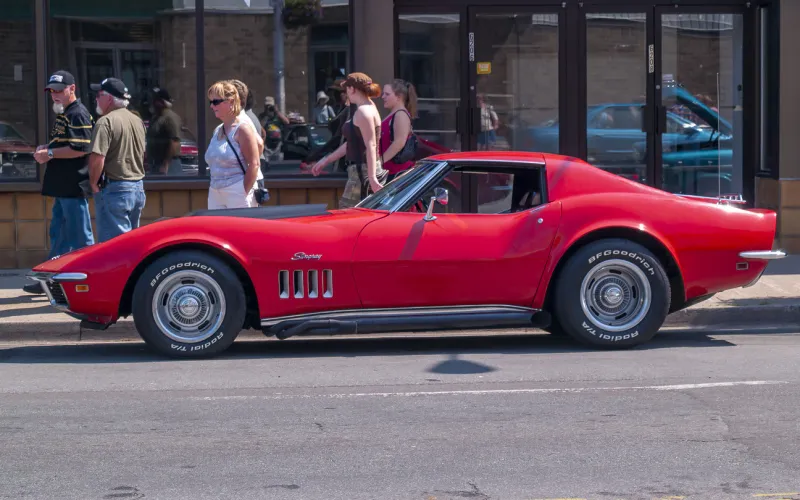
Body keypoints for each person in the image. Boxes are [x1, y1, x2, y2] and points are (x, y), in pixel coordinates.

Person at [22, 70, 95, 295]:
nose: (54, 94)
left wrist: (50, 154)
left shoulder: (77, 113)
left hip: (73, 185)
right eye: (51, 90)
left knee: (81, 237)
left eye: (59, 90)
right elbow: (65, 143)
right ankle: (51, 279)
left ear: (72, 89)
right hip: (62, 186)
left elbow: (81, 148)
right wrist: (47, 148)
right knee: (59, 234)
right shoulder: (65, 113)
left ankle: (92, 278)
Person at [311, 72, 387, 208]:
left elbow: (371, 145)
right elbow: (352, 143)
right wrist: (326, 160)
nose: (345, 92)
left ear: (352, 89)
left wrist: (372, 178)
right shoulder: (365, 107)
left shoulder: (364, 111)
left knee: (347, 214)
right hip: (362, 170)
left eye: (346, 88)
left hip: (362, 171)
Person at [88, 77, 147, 243]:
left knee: (113, 247)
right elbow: (142, 154)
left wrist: (93, 184)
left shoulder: (105, 122)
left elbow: (97, 157)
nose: (96, 99)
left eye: (99, 95)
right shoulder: (137, 121)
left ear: (108, 98)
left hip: (116, 189)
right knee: (130, 242)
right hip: (137, 188)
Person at [205, 80, 262, 209]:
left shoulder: (242, 128)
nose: (212, 106)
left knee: (240, 229)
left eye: (216, 102)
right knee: (216, 229)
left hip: (236, 190)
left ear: (230, 101)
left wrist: (242, 192)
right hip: (215, 191)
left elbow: (255, 163)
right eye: (210, 102)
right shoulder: (218, 130)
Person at [380, 78, 418, 181]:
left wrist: (379, 162)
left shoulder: (401, 114)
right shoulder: (394, 114)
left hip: (398, 173)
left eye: (387, 94)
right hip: (390, 171)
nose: (383, 97)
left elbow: (399, 142)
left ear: (398, 97)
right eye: (383, 94)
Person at [145, 87, 182, 175]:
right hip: (155, 164)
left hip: (169, 166)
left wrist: (166, 165)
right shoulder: (155, 118)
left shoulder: (170, 117)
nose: (153, 102)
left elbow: (174, 142)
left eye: (155, 100)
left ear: (162, 102)